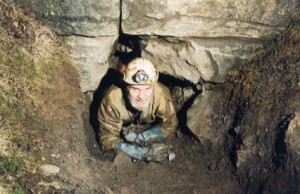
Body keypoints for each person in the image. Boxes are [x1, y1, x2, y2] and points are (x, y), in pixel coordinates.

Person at [98, 57, 178, 162]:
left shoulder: (161, 95)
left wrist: (143, 138)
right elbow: (107, 139)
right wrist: (141, 153)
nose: (142, 96)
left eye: (148, 89)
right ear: (126, 86)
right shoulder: (112, 100)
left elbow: (170, 125)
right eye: (135, 89)